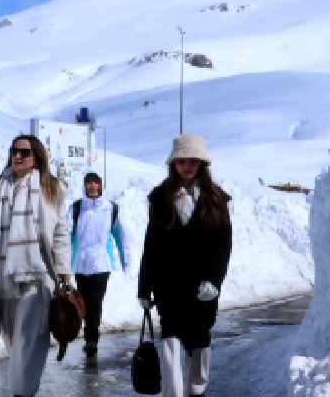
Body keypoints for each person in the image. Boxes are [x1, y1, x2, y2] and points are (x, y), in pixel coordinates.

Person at [0, 135, 72, 397]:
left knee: (31, 339)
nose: (18, 156)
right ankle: (23, 389)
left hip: (36, 275)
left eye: (24, 152)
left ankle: (22, 392)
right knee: (12, 340)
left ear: (36, 156)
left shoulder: (51, 188)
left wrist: (63, 270)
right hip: (1, 274)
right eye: (14, 151)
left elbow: (60, 232)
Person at [137, 133, 232, 397]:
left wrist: (214, 281)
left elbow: (223, 247)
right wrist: (144, 287)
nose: (187, 166)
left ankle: (197, 392)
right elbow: (151, 245)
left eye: (192, 161)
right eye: (181, 162)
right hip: (169, 287)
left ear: (202, 163)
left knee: (199, 344)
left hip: (203, 289)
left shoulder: (217, 200)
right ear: (173, 164)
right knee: (171, 342)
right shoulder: (160, 198)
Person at [67, 171, 130, 359]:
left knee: (95, 303)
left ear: (101, 186)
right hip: (80, 265)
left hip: (102, 265)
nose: (92, 186)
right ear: (85, 186)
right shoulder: (76, 208)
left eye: (96, 183)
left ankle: (91, 340)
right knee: (83, 304)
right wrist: (61, 262)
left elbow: (123, 237)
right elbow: (64, 234)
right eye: (89, 183)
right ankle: (90, 335)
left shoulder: (111, 209)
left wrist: (127, 265)